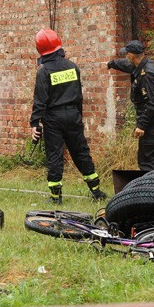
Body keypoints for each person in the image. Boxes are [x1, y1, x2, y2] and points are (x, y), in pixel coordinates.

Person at [30, 28, 106, 204]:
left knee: (55, 155)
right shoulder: (73, 67)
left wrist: (35, 123)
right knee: (81, 152)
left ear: (40, 49)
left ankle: (55, 197)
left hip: (53, 118)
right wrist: (78, 117)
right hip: (73, 115)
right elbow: (79, 96)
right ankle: (96, 191)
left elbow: (40, 100)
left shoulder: (43, 72)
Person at [107, 40, 154, 171]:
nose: (125, 57)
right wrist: (110, 64)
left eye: (126, 54)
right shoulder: (139, 65)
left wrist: (141, 125)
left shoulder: (147, 75)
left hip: (153, 120)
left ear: (131, 55)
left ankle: (152, 184)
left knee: (148, 161)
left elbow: (152, 103)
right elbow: (124, 65)